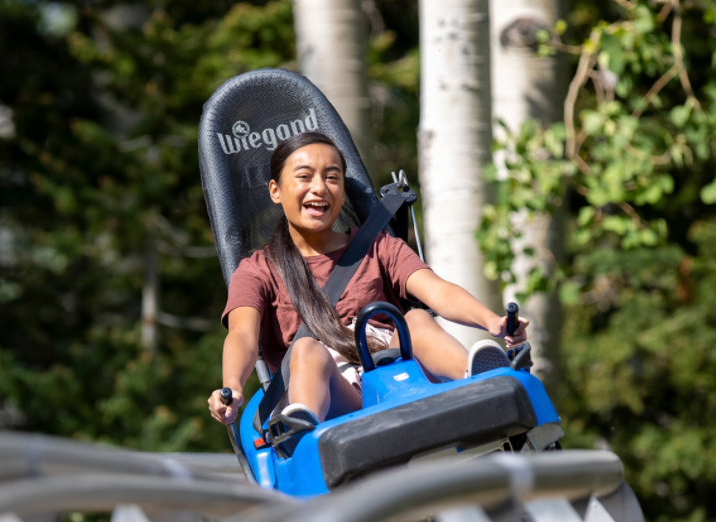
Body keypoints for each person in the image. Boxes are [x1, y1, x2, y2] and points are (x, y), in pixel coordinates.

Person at [208, 130, 528, 453]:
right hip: (331, 397)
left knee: (415, 320)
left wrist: (492, 322)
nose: (319, 187)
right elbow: (242, 336)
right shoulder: (257, 270)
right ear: (276, 191)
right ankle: (301, 428)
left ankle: (479, 382)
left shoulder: (376, 246)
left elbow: (437, 291)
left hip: (394, 379)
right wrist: (232, 386)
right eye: (304, 176)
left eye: (332, 177)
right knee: (307, 350)